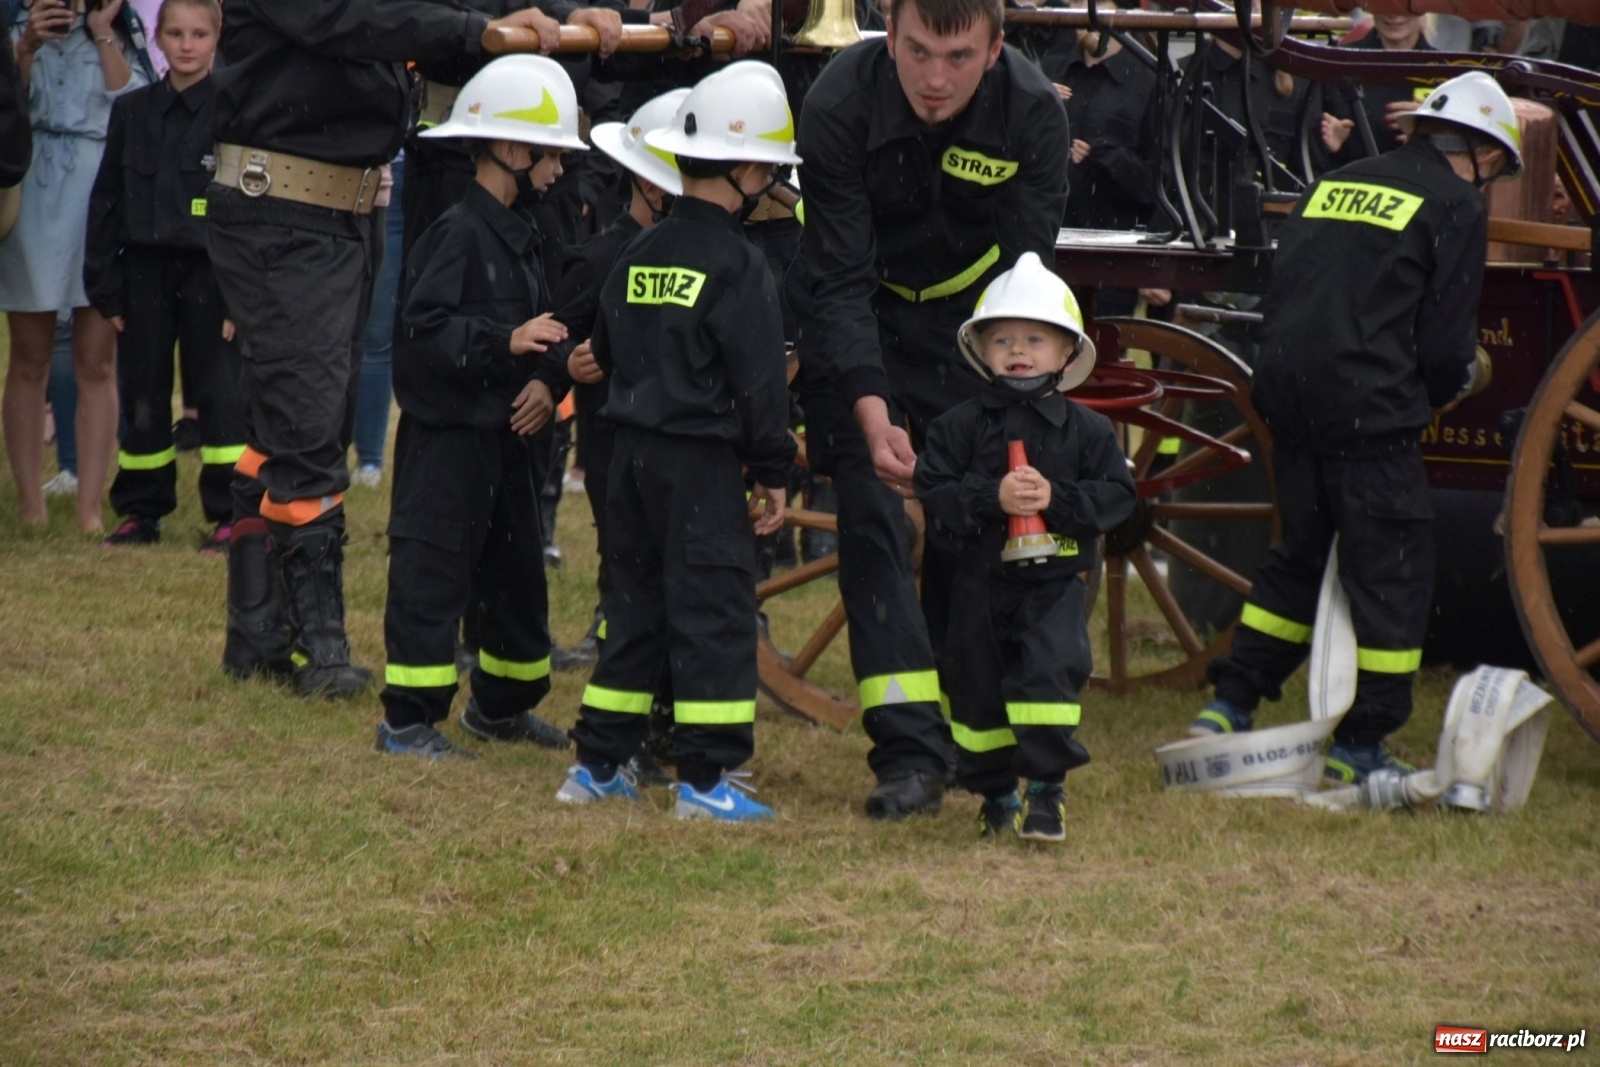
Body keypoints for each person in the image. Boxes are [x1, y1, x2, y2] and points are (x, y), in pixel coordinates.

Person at [209, 0, 560, 699]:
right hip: (286, 209)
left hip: (338, 208)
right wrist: (474, 31)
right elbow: (349, 17)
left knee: (300, 420)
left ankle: (257, 630)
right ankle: (322, 647)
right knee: (308, 426)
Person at [1189, 72, 1521, 784]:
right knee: (1392, 575)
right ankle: (1361, 743)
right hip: (1371, 412)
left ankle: (1230, 702)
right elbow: (1443, 347)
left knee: (1296, 554)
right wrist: (1443, 390)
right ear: (1486, 156)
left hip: (1289, 394)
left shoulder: (1338, 181)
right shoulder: (1457, 202)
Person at [789, 0, 1070, 819]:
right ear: (889, 31)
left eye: (956, 56)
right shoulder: (838, 103)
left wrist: (999, 399)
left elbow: (1025, 279)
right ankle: (908, 755)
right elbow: (838, 280)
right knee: (874, 515)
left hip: (971, 328)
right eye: (915, 52)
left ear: (996, 48)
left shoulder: (1032, 117)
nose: (934, 79)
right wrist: (871, 411)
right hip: (860, 314)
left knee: (961, 524)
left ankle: (964, 723)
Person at [558, 61, 797, 822]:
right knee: (713, 611)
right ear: (753, 167)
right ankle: (704, 780)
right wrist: (772, 470)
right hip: (698, 465)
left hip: (624, 457)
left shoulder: (637, 251)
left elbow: (603, 345)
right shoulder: (740, 264)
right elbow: (761, 385)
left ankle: (598, 764)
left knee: (631, 607)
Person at [374, 55, 582, 759]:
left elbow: (552, 324)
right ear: (512, 150)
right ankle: (407, 721)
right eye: (553, 154)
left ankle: (502, 707)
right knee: (432, 579)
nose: (560, 169)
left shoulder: (525, 231)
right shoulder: (457, 233)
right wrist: (504, 341)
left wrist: (542, 377)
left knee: (516, 581)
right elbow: (422, 334)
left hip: (508, 442)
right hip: (448, 446)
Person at [915, 252, 1135, 841]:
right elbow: (932, 486)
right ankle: (993, 795)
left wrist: (1055, 499)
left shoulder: (1088, 432)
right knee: (976, 687)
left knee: (1048, 679)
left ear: (1066, 352)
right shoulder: (956, 427)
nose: (1019, 350)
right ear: (980, 350)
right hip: (977, 584)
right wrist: (992, 497)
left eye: (1036, 339)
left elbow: (1117, 495)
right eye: (1003, 339)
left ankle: (1045, 793)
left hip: (1055, 585)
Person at [85, 0, 244, 552]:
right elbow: (105, 201)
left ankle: (230, 511)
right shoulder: (132, 112)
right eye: (174, 32)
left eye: (199, 33)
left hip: (212, 273)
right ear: (156, 36)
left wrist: (240, 297)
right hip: (144, 273)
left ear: (217, 37)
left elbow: (245, 211)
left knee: (222, 395)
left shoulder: (234, 113)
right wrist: (104, 286)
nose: (186, 44)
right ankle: (141, 510)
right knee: (144, 390)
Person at [547, 86, 688, 675]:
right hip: (612, 437)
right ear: (654, 190)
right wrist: (567, 364)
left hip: (680, 435)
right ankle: (614, 618)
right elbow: (558, 333)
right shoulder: (600, 261)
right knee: (624, 542)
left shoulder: (710, 255)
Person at [1, 0, 150, 533]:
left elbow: (137, 106)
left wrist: (102, 31)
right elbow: (6, 109)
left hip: (99, 187)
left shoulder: (121, 24)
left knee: (96, 357)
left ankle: (89, 507)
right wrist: (24, 48)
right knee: (30, 353)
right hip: (34, 180)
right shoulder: (15, 21)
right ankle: (30, 505)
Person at [1320, 14, 1435, 162]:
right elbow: (1310, 154)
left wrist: (1433, 127)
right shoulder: (1339, 63)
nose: (1394, 15)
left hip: (1419, 179)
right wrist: (1332, 143)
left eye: (1404, 4)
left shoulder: (1446, 70)